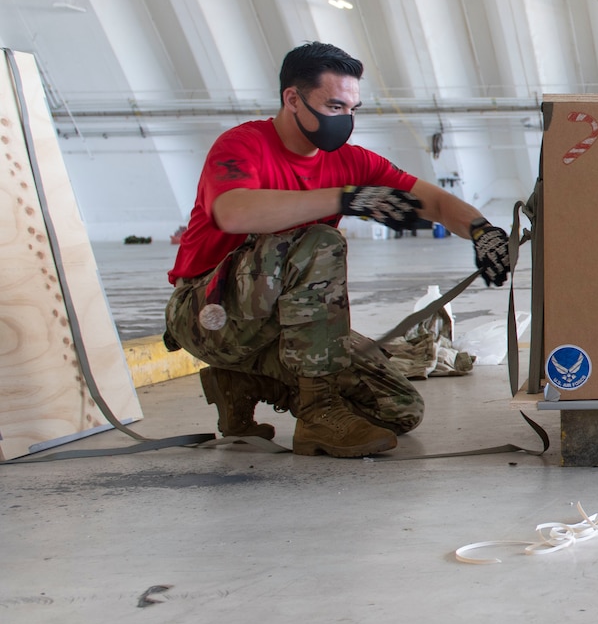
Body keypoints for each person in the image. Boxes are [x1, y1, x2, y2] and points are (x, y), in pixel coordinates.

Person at [162, 42, 514, 457]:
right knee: (320, 241)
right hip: (208, 314)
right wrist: (343, 199)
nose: (345, 119)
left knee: (399, 409)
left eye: (352, 109)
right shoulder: (242, 145)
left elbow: (432, 201)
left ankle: (243, 382)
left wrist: (480, 231)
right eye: (334, 107)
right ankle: (317, 414)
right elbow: (233, 212)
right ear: (292, 99)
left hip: (282, 325)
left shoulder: (352, 161)